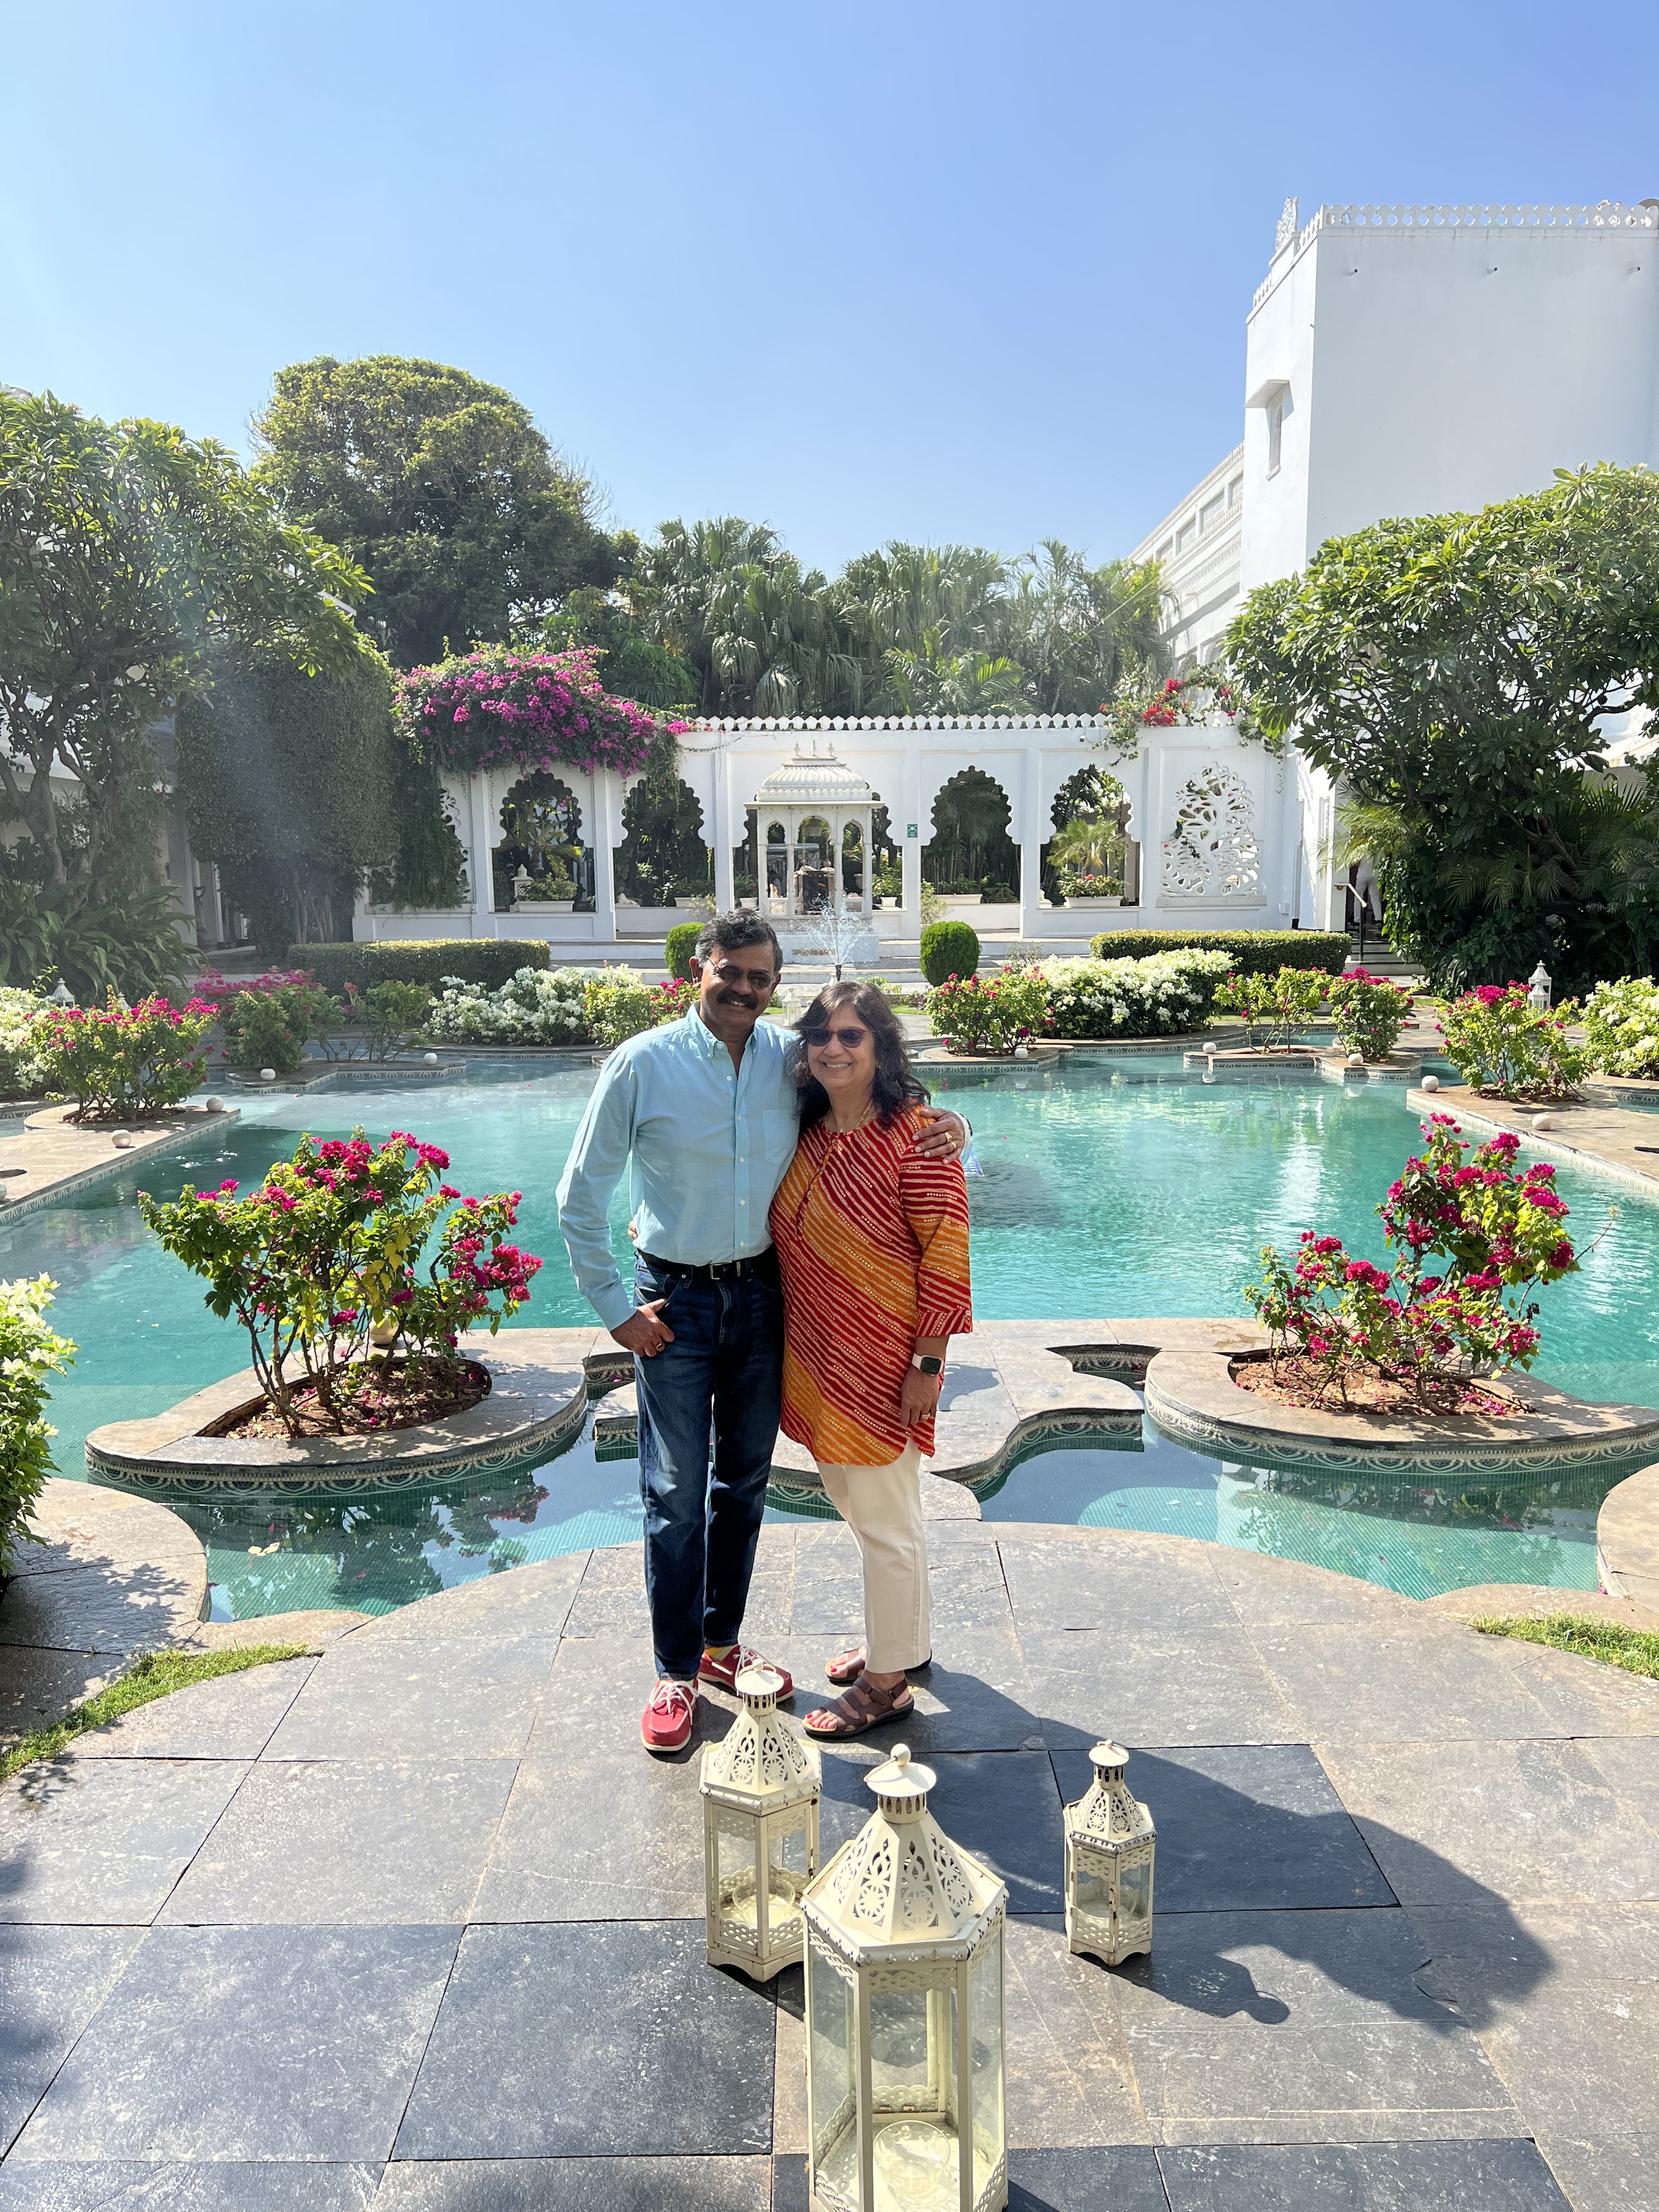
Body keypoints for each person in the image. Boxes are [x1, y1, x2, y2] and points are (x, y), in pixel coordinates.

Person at [555, 911, 968, 1754]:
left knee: (741, 1485)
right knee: (675, 1492)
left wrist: (956, 1128)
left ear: (773, 983)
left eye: (759, 977)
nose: (743, 988)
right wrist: (615, 1310)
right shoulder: (642, 1064)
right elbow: (577, 1197)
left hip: (765, 1298)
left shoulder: (791, 1057)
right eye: (729, 972)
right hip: (674, 1305)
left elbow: (890, 1110)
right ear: (697, 969)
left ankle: (719, 1646)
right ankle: (674, 1673)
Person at [768, 980, 972, 1737]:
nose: (832, 1047)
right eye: (820, 1034)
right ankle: (904, 1643)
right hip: (819, 1358)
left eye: (851, 1036)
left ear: (881, 1047)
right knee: (872, 1513)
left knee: (883, 1523)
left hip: (886, 1362)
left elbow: (946, 1254)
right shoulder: (813, 1131)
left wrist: (928, 1367)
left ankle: (886, 1684)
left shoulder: (914, 1136)